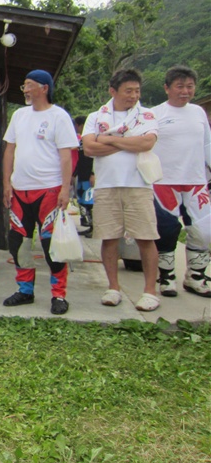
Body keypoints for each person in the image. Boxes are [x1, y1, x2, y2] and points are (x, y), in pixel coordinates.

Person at [82, 68, 161, 311]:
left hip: (138, 184)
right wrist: (128, 143)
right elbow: (89, 148)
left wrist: (108, 139)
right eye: (128, 91)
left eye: (137, 91)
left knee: (145, 237)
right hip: (106, 184)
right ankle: (113, 287)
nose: (134, 96)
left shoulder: (146, 115)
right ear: (113, 91)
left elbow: (147, 142)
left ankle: (150, 291)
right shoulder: (96, 117)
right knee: (109, 237)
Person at [2, 70, 78, 315]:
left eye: (29, 85)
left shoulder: (59, 116)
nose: (25, 89)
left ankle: (59, 294)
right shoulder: (19, 115)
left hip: (49, 190)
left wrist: (65, 189)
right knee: (19, 243)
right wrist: (6, 184)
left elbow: (66, 156)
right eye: (23, 85)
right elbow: (9, 151)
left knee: (51, 245)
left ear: (44, 88)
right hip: (20, 191)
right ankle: (25, 290)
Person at [152, 66, 211, 298]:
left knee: (204, 230)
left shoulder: (198, 112)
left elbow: (207, 144)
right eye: (180, 86)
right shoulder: (154, 114)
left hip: (196, 181)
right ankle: (166, 277)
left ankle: (196, 276)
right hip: (163, 182)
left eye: (190, 86)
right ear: (167, 88)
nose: (185, 91)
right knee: (166, 229)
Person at [73, 116, 94, 237]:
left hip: (88, 175)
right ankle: (89, 225)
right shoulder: (80, 140)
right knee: (83, 201)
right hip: (81, 174)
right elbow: (78, 159)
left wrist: (93, 174)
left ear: (81, 125)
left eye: (76, 125)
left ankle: (94, 227)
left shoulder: (91, 139)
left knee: (90, 202)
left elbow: (93, 158)